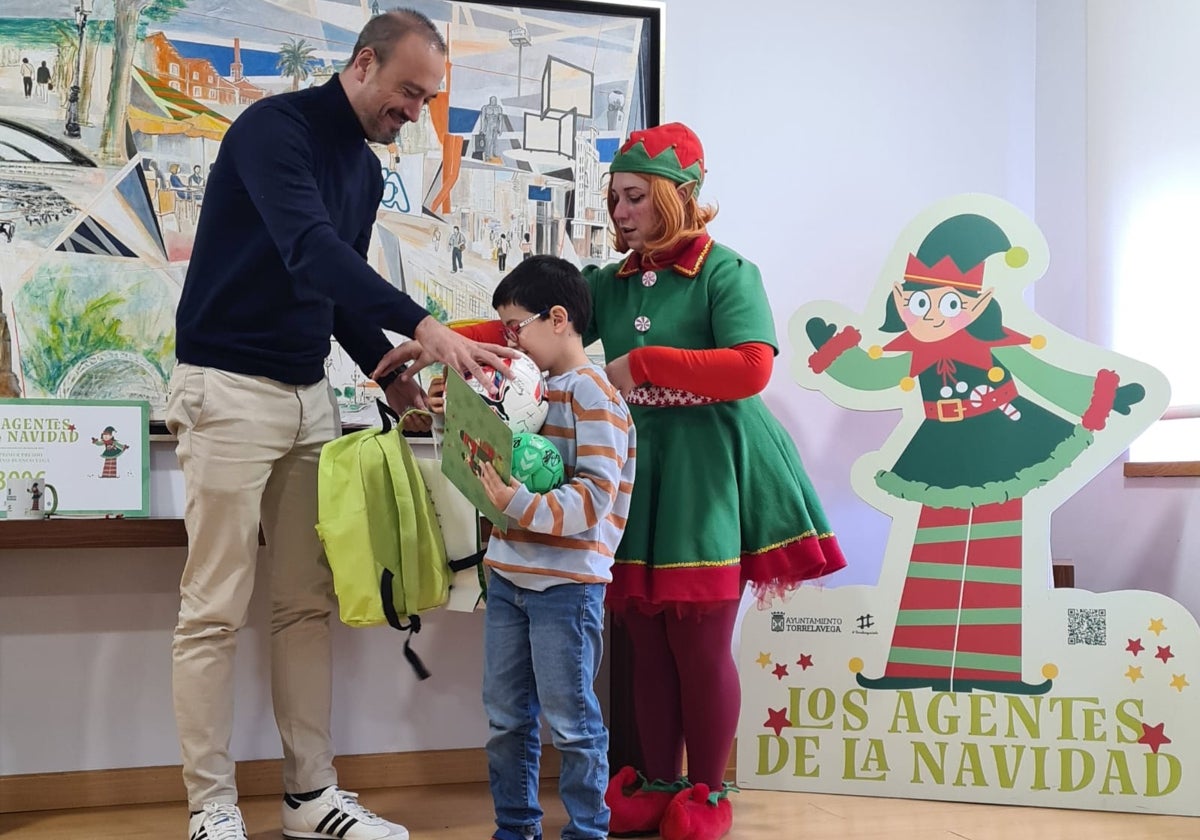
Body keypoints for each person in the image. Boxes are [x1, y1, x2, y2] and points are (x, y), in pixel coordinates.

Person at [167, 10, 512, 840]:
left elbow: (332, 292)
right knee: (213, 608)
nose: (416, 112)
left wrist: (385, 371)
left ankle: (309, 797)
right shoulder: (269, 131)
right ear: (363, 64)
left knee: (301, 605)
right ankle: (210, 809)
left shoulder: (361, 169)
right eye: (408, 91)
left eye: (430, 100)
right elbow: (310, 251)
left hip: (305, 395)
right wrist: (428, 331)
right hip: (226, 387)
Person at [591, 123, 846, 840]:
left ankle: (706, 790)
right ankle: (660, 781)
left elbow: (751, 368)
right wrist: (438, 335)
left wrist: (643, 364)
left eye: (634, 197)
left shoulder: (728, 272)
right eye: (614, 199)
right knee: (643, 640)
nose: (619, 213)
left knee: (699, 643)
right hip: (639, 467)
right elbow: (528, 324)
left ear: (678, 196)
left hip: (713, 470)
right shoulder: (604, 283)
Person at [392, 256, 636, 840]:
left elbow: (592, 503)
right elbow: (485, 480)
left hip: (567, 588)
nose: (508, 342)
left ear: (558, 319)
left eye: (514, 328)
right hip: (508, 578)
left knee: (572, 723)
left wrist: (516, 501)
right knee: (505, 720)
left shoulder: (594, 396)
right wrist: (454, 423)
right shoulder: (528, 392)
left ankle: (586, 830)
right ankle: (515, 827)